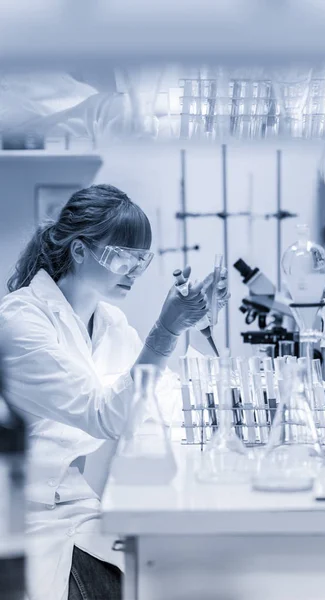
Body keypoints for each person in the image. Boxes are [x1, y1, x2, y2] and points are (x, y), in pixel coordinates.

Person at [0, 184, 228, 600]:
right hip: (19, 517)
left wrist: (199, 328)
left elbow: (166, 400)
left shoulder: (110, 323)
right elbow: (105, 415)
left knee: (167, 574)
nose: (133, 271)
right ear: (80, 250)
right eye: (120, 255)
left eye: (141, 259)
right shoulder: (21, 322)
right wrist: (164, 330)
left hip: (74, 504)